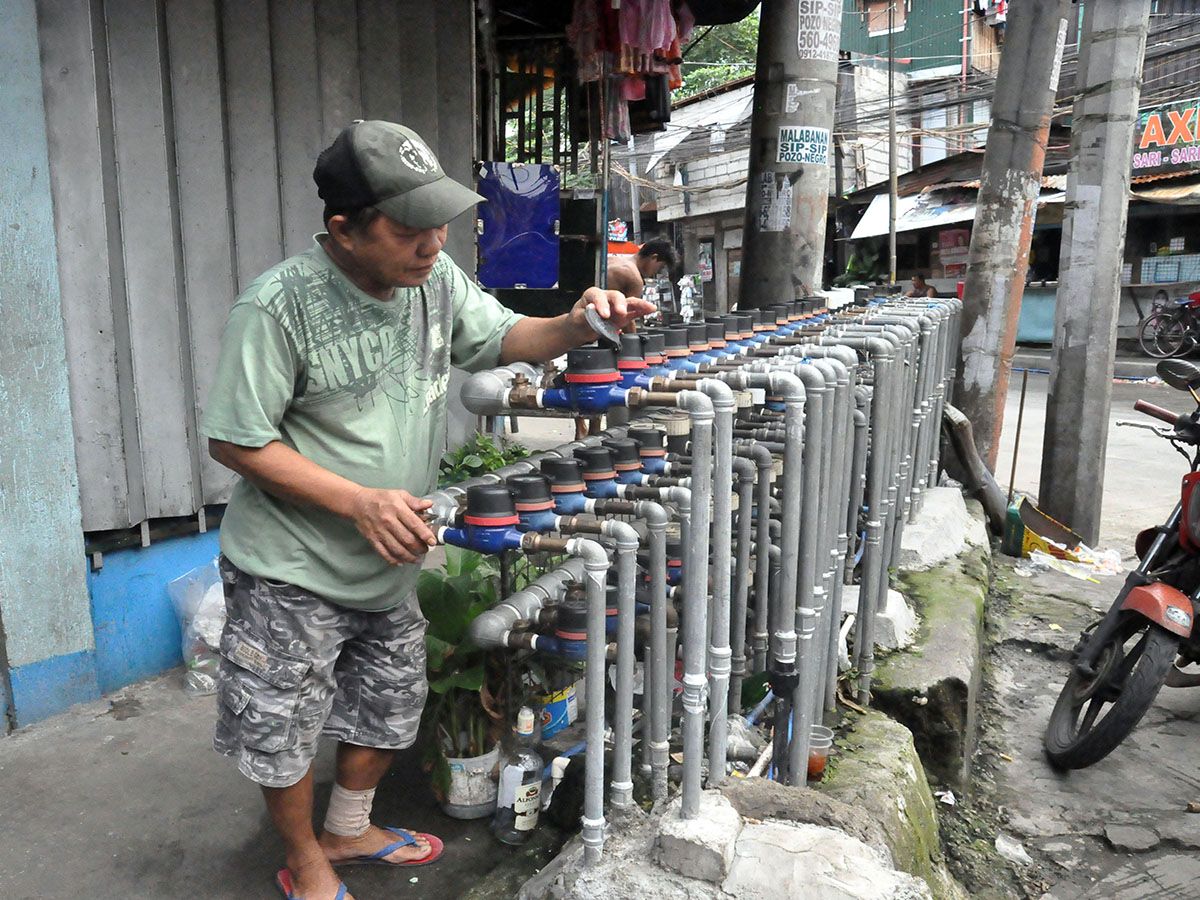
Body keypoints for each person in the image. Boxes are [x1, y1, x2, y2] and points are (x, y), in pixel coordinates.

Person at [201, 120, 654, 900]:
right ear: (344, 228)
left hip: (389, 558)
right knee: (281, 732)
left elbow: (510, 336)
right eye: (411, 227)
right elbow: (237, 443)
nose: (434, 241)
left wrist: (581, 322)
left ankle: (348, 828)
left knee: (388, 708)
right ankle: (304, 857)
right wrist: (358, 501)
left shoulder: (434, 282)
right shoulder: (276, 308)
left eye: (440, 220)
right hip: (288, 569)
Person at [570, 238, 679, 439]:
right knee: (601, 376)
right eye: (659, 267)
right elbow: (629, 316)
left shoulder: (615, 259)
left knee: (579, 374)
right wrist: (635, 348)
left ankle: (580, 429)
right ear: (653, 258)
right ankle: (594, 428)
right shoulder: (634, 277)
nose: (655, 273)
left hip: (581, 323)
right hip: (604, 329)